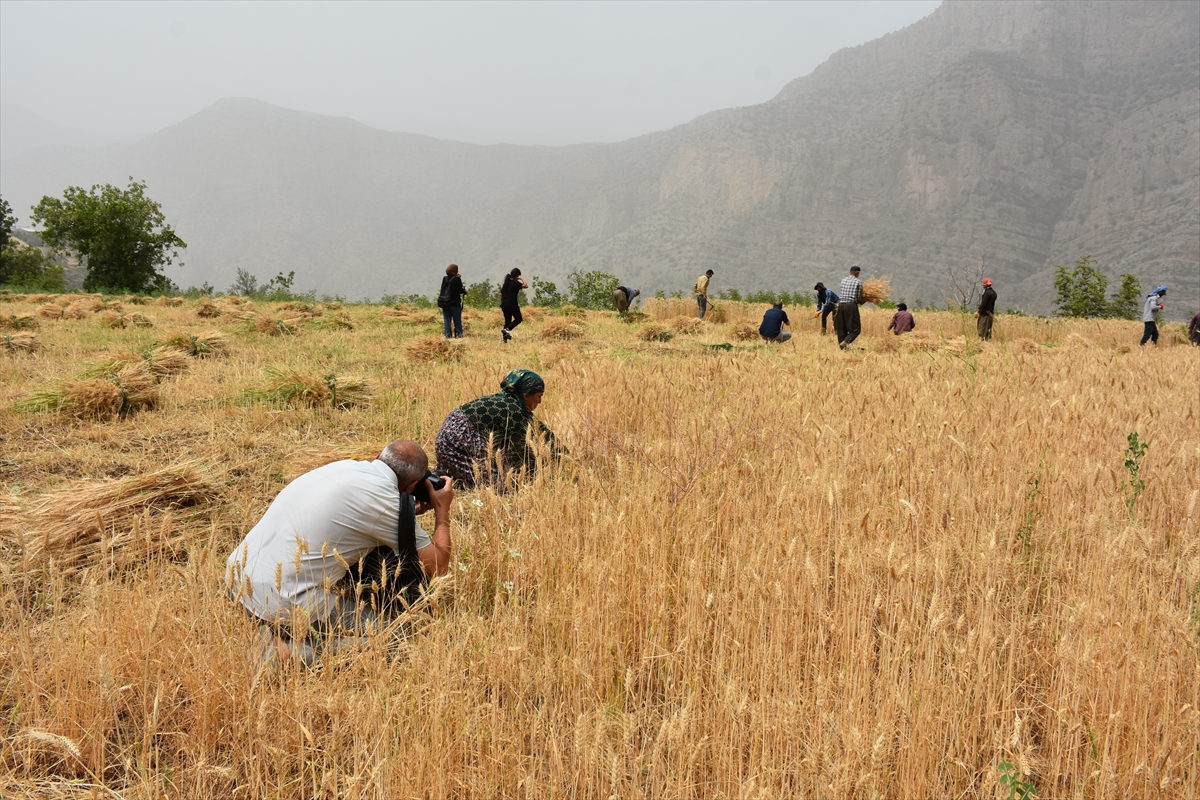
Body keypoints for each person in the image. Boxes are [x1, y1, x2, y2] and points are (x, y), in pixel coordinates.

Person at [225, 440, 454, 665]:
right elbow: (438, 566)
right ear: (413, 486)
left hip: (236, 578)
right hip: (283, 600)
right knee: (397, 638)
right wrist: (442, 511)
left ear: (377, 458)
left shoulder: (343, 466)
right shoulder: (387, 504)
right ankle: (285, 653)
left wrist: (406, 516)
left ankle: (274, 627)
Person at [435, 368, 563, 490]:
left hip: (445, 440)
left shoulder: (505, 400)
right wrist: (542, 474)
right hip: (458, 441)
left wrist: (562, 456)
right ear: (526, 395)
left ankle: (446, 477)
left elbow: (542, 433)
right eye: (539, 396)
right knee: (505, 485)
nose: (540, 402)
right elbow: (521, 454)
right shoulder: (513, 411)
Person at [835, 266, 864, 349]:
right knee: (855, 329)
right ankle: (845, 341)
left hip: (841, 305)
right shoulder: (858, 282)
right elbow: (858, 297)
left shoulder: (843, 280)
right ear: (857, 273)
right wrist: (862, 301)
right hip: (851, 305)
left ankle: (842, 348)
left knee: (842, 327)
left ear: (850, 272)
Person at [437, 263, 466, 339]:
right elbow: (459, 290)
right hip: (455, 304)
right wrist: (463, 289)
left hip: (445, 303)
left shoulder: (444, 278)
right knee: (457, 322)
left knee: (447, 321)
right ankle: (459, 336)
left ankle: (447, 337)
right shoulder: (457, 279)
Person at [500, 268, 528, 343]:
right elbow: (525, 285)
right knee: (519, 319)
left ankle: (504, 340)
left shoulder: (506, 283)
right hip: (512, 304)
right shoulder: (515, 283)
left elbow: (501, 294)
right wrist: (521, 278)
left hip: (504, 304)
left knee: (507, 321)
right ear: (517, 275)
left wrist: (503, 302)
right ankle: (507, 329)